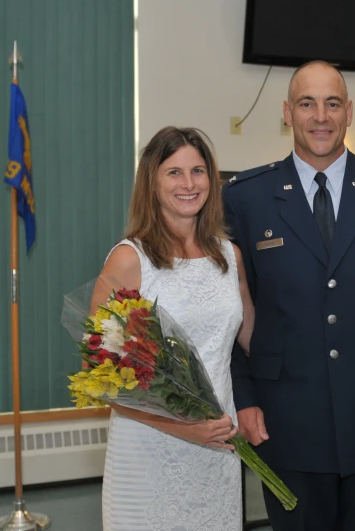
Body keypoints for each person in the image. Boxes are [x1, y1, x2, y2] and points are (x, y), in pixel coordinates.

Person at [223, 60, 355, 531]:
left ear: (349, 112)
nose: (320, 116)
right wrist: (243, 396)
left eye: (332, 103)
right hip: (285, 418)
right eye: (307, 103)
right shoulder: (246, 198)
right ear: (286, 112)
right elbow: (231, 313)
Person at [95, 127, 254, 531]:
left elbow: (257, 340)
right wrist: (185, 428)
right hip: (149, 449)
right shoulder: (129, 260)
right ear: (152, 180)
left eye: (198, 171)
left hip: (217, 443)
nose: (189, 184)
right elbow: (105, 382)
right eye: (174, 172)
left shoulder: (229, 256)